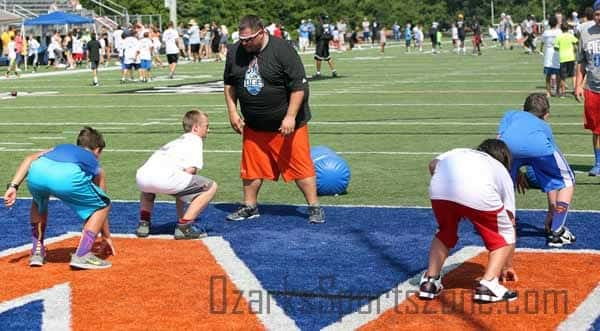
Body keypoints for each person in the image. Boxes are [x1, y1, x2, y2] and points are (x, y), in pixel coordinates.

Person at [223, 15, 325, 224]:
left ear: (261, 32)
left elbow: (299, 87)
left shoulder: (283, 49)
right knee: (251, 169)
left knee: (300, 167)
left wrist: (290, 116)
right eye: (241, 39)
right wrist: (232, 111)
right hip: (254, 125)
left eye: (249, 39)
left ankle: (314, 207)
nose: (244, 43)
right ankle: (250, 206)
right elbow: (229, 83)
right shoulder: (235, 51)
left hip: (287, 125)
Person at [420, 139, 518, 303]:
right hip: (479, 192)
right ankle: (488, 284)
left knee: (445, 231)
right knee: (505, 233)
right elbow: (510, 221)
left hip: (440, 188)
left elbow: (433, 165)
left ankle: (430, 282)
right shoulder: (500, 170)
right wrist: (507, 265)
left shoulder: (459, 151)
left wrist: (452, 190)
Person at [3, 127, 115, 269]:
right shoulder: (94, 162)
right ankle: (82, 254)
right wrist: (105, 236)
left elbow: (29, 159)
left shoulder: (59, 148)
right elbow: (101, 201)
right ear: (97, 150)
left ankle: (37, 251)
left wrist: (13, 186)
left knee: (38, 202)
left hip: (37, 174)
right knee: (103, 205)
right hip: (66, 178)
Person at [497, 93, 575, 247]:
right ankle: (557, 231)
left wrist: (513, 168)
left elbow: (500, 138)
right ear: (546, 115)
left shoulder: (511, 114)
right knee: (567, 181)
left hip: (506, 149)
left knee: (505, 185)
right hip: (540, 147)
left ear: (523, 109)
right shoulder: (544, 126)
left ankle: (505, 227)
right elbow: (552, 179)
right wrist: (552, 211)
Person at [135, 110, 217, 239]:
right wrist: (182, 219)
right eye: (206, 126)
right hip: (166, 179)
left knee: (148, 188)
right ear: (196, 127)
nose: (208, 129)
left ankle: (144, 223)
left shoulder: (175, 142)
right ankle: (184, 227)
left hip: (142, 177)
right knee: (211, 187)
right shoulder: (195, 140)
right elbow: (189, 172)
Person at [575, 1, 600, 176]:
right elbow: (581, 62)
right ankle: (598, 163)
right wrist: (578, 84)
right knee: (597, 129)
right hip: (593, 88)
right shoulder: (585, 32)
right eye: (598, 13)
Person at [554, 22, 578, 97]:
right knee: (573, 75)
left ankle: (563, 92)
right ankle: (575, 90)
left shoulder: (559, 37)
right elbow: (577, 42)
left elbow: (556, 47)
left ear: (561, 29)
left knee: (563, 76)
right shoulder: (571, 36)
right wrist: (574, 48)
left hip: (563, 58)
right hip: (571, 57)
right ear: (568, 28)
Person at [542, 15, 561, 97]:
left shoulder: (546, 32)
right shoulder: (559, 32)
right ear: (556, 23)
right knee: (558, 74)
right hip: (557, 53)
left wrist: (540, 49)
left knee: (548, 75)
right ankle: (557, 91)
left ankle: (548, 92)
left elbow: (542, 42)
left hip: (548, 54)